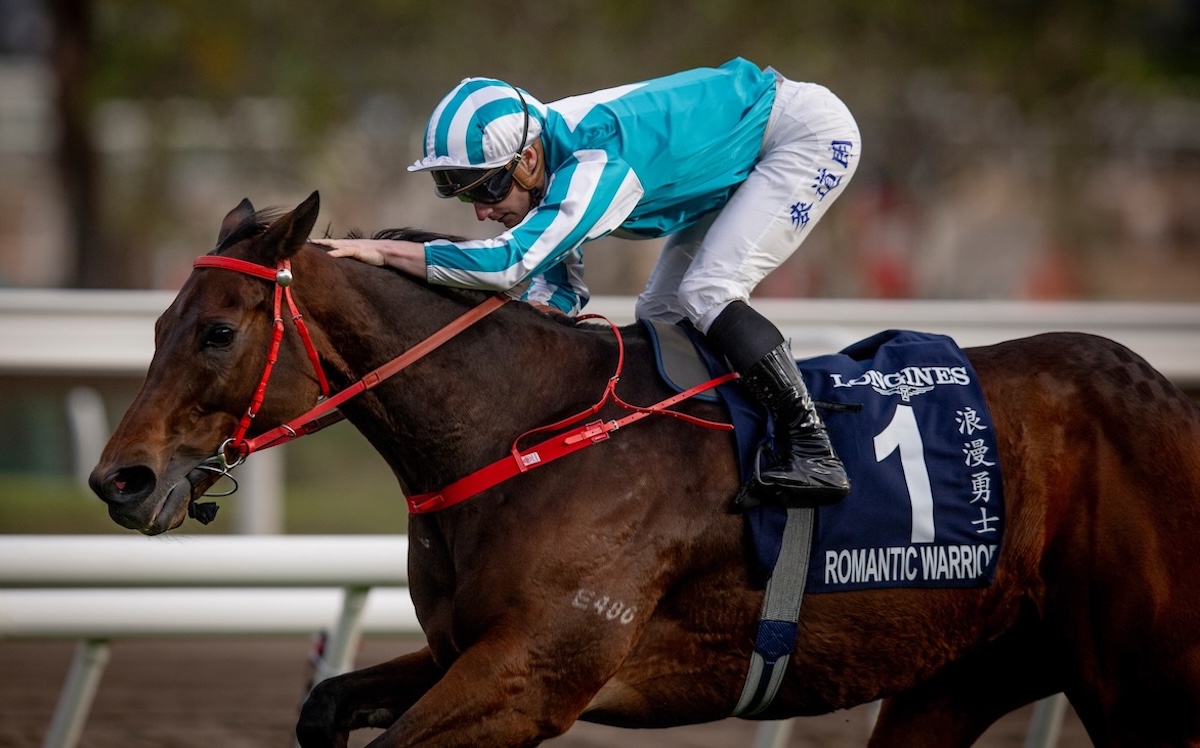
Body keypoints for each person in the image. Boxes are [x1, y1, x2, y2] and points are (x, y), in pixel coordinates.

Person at [322, 57, 859, 506]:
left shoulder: (595, 163)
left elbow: (509, 262)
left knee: (708, 291)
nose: (481, 211)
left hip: (804, 136)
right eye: (464, 193)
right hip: (749, 143)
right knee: (660, 315)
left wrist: (384, 251)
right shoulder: (547, 148)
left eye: (486, 189)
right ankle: (717, 451)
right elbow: (559, 290)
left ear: (527, 159)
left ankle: (812, 447)